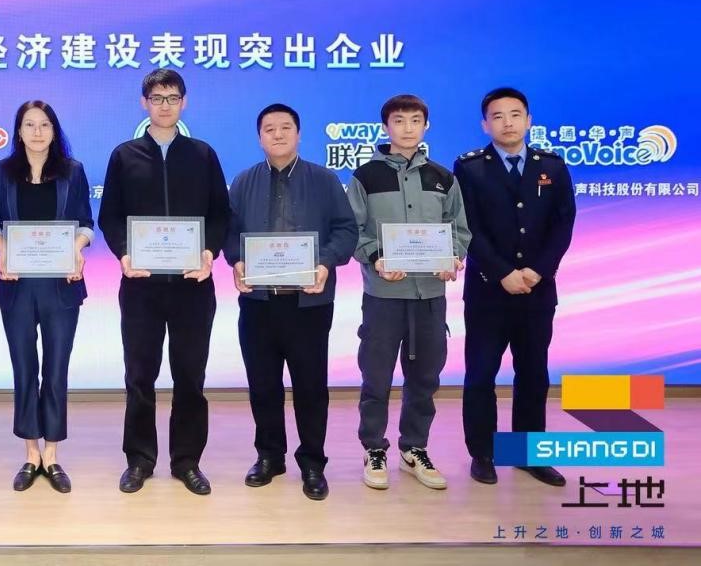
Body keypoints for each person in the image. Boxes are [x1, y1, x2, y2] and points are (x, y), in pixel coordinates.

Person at [98, 69, 230, 496]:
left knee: (190, 376)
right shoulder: (124, 155)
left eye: (173, 98)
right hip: (141, 285)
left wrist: (209, 252)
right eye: (157, 98)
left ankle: (186, 461)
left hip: (193, 285)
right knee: (139, 376)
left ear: (184, 102)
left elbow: (220, 213)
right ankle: (139, 460)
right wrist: (124, 253)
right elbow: (110, 216)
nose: (165, 105)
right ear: (144, 103)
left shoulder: (203, 154)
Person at [224, 103, 357, 500]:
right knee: (262, 384)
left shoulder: (325, 179)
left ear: (298, 134)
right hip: (259, 302)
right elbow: (229, 231)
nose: (278, 134)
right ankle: (269, 456)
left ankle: (313, 463)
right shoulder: (243, 181)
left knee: (310, 386)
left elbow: (346, 230)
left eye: (285, 127)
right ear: (259, 137)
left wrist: (325, 262)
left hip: (309, 303)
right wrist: (237, 260)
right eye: (270, 129)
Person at [348, 94, 470, 491]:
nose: (407, 128)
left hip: (430, 295)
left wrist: (453, 257)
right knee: (376, 377)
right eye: (399, 121)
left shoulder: (443, 177)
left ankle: (414, 447)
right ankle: (374, 448)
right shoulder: (366, 176)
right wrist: (376, 257)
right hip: (384, 295)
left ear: (426, 126)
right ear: (386, 127)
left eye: (415, 120)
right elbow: (353, 230)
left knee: (425, 377)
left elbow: (459, 228)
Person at [455, 87, 575, 488]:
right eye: (498, 116)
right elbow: (466, 227)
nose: (507, 123)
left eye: (515, 114)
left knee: (533, 374)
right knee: (481, 374)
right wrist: (502, 272)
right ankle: (483, 454)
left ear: (528, 120)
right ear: (484, 124)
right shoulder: (470, 168)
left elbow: (563, 224)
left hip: (538, 291)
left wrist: (538, 271)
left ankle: (527, 455)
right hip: (488, 290)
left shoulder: (552, 166)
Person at [0, 100, 93, 493]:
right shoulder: (2, 172)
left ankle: (52, 454)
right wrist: (1, 249)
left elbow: (85, 223)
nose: (37, 132)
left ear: (54, 130)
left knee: (57, 369)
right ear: (18, 131)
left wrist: (77, 248)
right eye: (29, 125)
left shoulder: (72, 171)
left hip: (62, 284)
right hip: (17, 284)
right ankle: (31, 454)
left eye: (45, 124)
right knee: (24, 368)